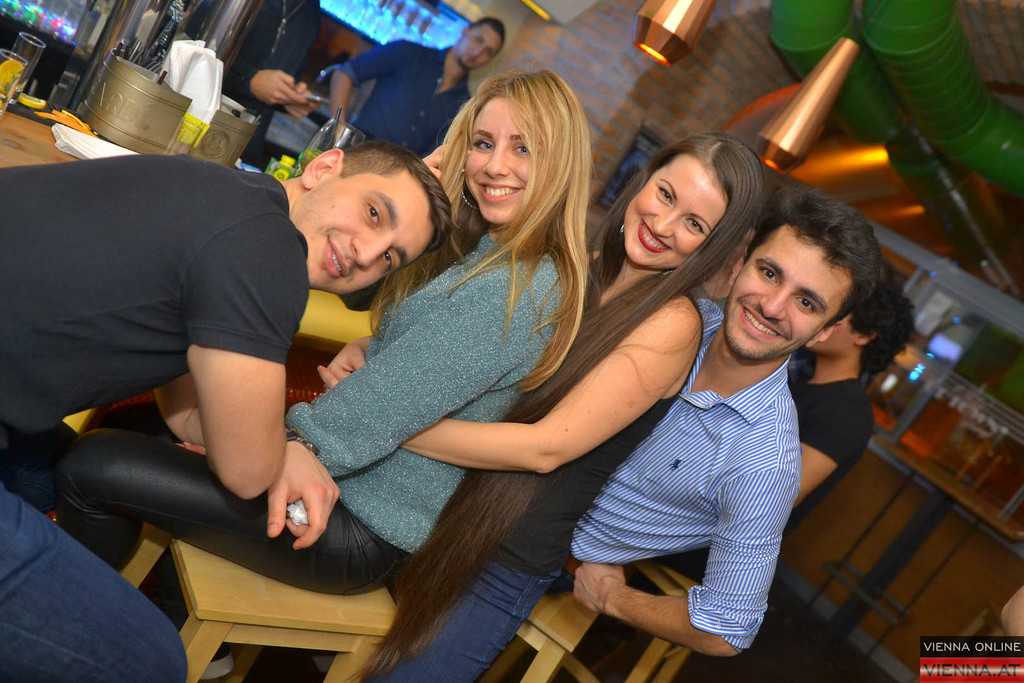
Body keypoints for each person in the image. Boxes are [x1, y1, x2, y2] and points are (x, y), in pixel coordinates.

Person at [56, 70, 591, 603]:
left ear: (560, 162)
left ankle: (79, 628)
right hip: (344, 487)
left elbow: (372, 413)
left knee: (96, 464)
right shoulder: (489, 253)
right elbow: (391, 322)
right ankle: (159, 613)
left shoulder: (517, 285)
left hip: (357, 521)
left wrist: (288, 445)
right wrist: (417, 197)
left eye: (523, 149)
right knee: (136, 429)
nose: (494, 166)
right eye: (483, 143)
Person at [365, 185, 882, 679]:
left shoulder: (763, 461)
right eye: (769, 273)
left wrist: (613, 597)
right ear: (741, 261)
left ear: (827, 330)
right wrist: (377, 360)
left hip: (525, 558)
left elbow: (726, 628)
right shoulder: (668, 314)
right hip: (451, 483)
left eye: (807, 303)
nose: (772, 306)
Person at [0, 143, 449, 682]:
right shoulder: (267, 254)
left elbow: (186, 412)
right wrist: (286, 450)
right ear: (324, 167)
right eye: (374, 213)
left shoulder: (229, 197)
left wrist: (277, 447)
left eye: (390, 258)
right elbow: (246, 473)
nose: (367, 253)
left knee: (55, 477)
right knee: (152, 660)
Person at [352, 132, 766, 679]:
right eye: (666, 195)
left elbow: (545, 448)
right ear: (643, 180)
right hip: (434, 515)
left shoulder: (673, 323)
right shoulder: (580, 268)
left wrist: (382, 415)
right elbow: (468, 354)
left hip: (499, 564)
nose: (664, 224)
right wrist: (372, 354)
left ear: (711, 247)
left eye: (694, 224)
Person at [786, 278, 914, 528]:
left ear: (864, 336)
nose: (823, 318)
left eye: (839, 314)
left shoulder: (848, 413)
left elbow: (779, 495)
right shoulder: (803, 383)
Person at [326, 17, 505, 156]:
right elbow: (345, 73)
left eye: (488, 52)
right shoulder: (408, 53)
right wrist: (338, 126)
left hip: (395, 180)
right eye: (478, 40)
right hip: (356, 153)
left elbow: (436, 154)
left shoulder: (465, 105)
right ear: (465, 31)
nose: (478, 52)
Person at [187, 0, 324, 164]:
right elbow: (190, 43)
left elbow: (292, 72)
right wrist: (249, 79)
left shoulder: (312, 14)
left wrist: (290, 97)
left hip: (245, 148)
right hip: (195, 123)